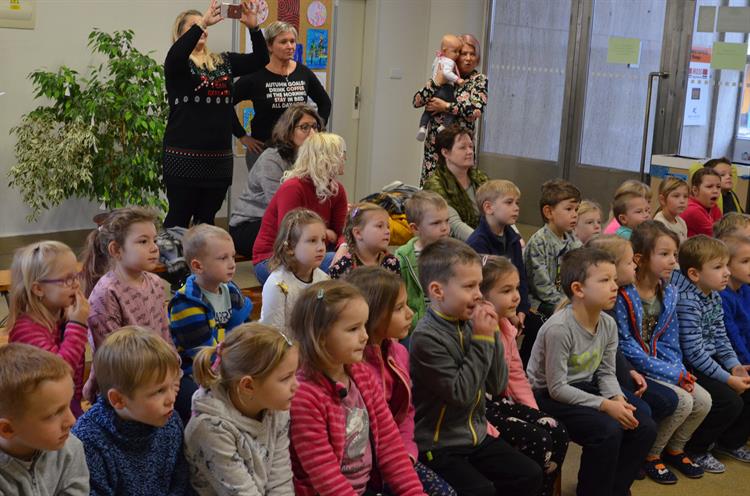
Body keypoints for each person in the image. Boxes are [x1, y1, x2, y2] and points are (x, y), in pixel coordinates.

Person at [410, 238, 543, 495]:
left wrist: (492, 334)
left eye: (479, 285)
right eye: (469, 286)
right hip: (438, 444)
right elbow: (461, 394)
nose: (479, 294)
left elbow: (497, 384)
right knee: (481, 491)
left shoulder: (473, 322)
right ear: (438, 291)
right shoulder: (426, 337)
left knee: (528, 474)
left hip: (476, 434)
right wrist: (483, 338)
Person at [526, 247, 657, 496]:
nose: (614, 286)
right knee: (607, 430)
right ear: (578, 289)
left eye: (614, 280)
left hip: (583, 387)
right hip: (547, 396)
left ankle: (615, 489)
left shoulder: (607, 324)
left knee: (644, 426)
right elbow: (556, 388)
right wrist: (606, 406)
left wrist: (617, 398)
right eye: (604, 280)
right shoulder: (560, 329)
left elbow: (606, 373)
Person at [288, 280, 427, 496]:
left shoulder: (362, 374)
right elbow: (327, 480)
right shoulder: (305, 396)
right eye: (353, 329)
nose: (364, 336)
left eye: (364, 325)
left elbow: (390, 446)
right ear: (321, 337)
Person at [613, 222, 711, 484]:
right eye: (665, 254)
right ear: (640, 258)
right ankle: (651, 454)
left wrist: (680, 370)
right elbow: (625, 345)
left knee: (703, 401)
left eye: (675, 255)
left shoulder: (669, 292)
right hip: (637, 367)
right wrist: (672, 373)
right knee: (684, 402)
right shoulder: (624, 294)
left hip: (662, 364)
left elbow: (671, 339)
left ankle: (674, 449)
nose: (673, 262)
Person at [347, 267, 457, 496]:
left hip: (397, 453)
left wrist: (407, 450)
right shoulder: (353, 369)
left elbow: (406, 412)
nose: (410, 313)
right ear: (372, 315)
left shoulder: (398, 353)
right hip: (362, 471)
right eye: (399, 308)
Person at [163, 1, 268, 228]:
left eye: (202, 26)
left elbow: (261, 59)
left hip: (218, 159)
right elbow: (175, 55)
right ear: (181, 34)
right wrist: (201, 23)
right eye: (192, 27)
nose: (202, 30)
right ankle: (175, 263)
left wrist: (254, 28)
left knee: (207, 221)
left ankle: (204, 263)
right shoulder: (177, 66)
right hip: (183, 157)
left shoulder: (224, 62)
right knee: (178, 220)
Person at [479, 256, 569, 496]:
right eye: (506, 290)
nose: (517, 297)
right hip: (480, 409)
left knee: (556, 430)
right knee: (538, 440)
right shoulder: (475, 331)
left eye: (517, 288)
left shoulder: (507, 327)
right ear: (482, 296)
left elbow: (516, 375)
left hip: (500, 402)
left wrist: (534, 411)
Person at [72, 327, 189, 495]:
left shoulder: (170, 421)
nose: (171, 398)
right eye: (159, 391)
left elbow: (181, 485)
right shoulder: (88, 440)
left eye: (173, 386)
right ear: (118, 400)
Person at [184, 323, 298, 495]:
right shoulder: (209, 427)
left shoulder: (276, 407)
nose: (296, 385)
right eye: (286, 378)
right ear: (248, 386)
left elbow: (280, 482)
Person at [672, 235, 750, 471]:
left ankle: (729, 442)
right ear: (695, 274)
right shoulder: (687, 301)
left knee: (746, 385)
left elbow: (720, 336)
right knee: (728, 402)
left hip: (709, 357)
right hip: (690, 363)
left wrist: (735, 366)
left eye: (727, 265)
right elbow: (694, 353)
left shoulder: (713, 294)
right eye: (718, 267)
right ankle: (696, 449)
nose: (726, 272)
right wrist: (728, 378)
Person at [81, 207, 172, 402]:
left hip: (159, 375)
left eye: (154, 240)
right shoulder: (106, 293)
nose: (155, 247)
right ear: (116, 250)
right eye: (143, 241)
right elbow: (112, 359)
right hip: (126, 387)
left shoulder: (155, 283)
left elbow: (165, 335)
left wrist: (173, 374)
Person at [168, 224, 253, 424]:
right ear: (198, 266)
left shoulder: (229, 289)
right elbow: (202, 356)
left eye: (232, 256)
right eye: (223, 258)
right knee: (212, 411)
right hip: (194, 371)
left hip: (227, 361)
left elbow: (246, 330)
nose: (232, 264)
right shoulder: (186, 303)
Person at [233, 21, 331, 171]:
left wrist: (316, 130)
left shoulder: (303, 72)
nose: (290, 46)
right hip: (265, 150)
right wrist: (242, 136)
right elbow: (224, 102)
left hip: (298, 151)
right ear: (269, 46)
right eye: (283, 42)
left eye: (292, 41)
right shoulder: (255, 74)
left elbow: (325, 103)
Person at [252, 132, 348, 284]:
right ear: (326, 157)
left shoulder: (337, 190)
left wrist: (343, 246)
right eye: (341, 154)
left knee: (353, 257)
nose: (345, 159)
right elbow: (290, 236)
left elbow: (341, 231)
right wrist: (326, 233)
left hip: (313, 251)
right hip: (273, 259)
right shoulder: (293, 188)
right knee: (341, 264)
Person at [229, 104, 324, 257]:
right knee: (308, 235)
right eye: (304, 127)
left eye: (315, 127)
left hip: (292, 219)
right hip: (251, 225)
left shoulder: (315, 157)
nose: (312, 133)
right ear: (289, 131)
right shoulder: (272, 158)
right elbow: (284, 208)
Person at [7, 241, 89, 418]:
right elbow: (59, 372)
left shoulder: (62, 315)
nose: (76, 284)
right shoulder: (26, 330)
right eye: (67, 279)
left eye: (76, 276)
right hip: (42, 413)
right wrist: (77, 325)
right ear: (38, 289)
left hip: (67, 404)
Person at [0, 344, 89, 495]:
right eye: (54, 414)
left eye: (68, 405)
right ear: (7, 429)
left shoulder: (71, 448)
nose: (72, 421)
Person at [413, 34, 487, 185]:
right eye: (463, 53)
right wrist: (436, 82)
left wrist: (445, 106)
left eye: (472, 54)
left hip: (460, 152)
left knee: (457, 196)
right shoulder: (443, 73)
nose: (468, 58)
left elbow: (475, 111)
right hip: (435, 150)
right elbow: (417, 101)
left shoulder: (478, 80)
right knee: (431, 200)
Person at [466, 179, 531, 331]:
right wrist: (510, 315)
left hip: (510, 303)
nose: (516, 208)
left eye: (517, 203)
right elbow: (482, 288)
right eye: (509, 202)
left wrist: (522, 309)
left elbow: (520, 275)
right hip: (486, 309)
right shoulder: (477, 243)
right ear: (488, 207)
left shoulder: (513, 238)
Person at [260, 209, 330, 332]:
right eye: (312, 241)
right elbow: (273, 333)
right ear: (290, 247)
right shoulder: (278, 284)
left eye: (323, 240)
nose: (321, 248)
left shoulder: (323, 279)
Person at [395, 191, 451, 332]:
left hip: (446, 324)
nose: (444, 228)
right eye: (436, 223)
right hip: (414, 327)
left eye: (447, 221)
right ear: (415, 228)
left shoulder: (454, 254)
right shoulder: (403, 257)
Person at [423, 126, 489, 241]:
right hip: (453, 246)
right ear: (445, 152)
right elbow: (455, 225)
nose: (470, 152)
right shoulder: (435, 185)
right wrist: (485, 244)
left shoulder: (479, 177)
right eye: (463, 148)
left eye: (471, 147)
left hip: (483, 240)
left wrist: (516, 238)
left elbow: (499, 206)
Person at [329, 202, 401, 279]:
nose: (387, 231)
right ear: (358, 233)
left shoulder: (392, 263)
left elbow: (400, 290)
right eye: (380, 226)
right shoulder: (343, 266)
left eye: (388, 227)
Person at [416, 34, 464, 142]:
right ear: (445, 50)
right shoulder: (449, 61)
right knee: (450, 106)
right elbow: (446, 73)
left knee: (427, 111)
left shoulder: (438, 58)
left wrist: (432, 81)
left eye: (459, 52)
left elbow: (434, 70)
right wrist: (457, 79)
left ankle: (422, 127)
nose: (457, 55)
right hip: (446, 89)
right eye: (456, 51)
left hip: (435, 90)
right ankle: (444, 126)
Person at [719, 234, 750, 365]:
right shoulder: (722, 298)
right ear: (727, 265)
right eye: (745, 261)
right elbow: (734, 340)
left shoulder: (745, 288)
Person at [680, 168, 722, 238]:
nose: (716, 191)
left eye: (718, 187)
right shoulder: (692, 210)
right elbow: (718, 236)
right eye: (709, 187)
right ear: (695, 190)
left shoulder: (714, 207)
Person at [653, 176, 689, 244]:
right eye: (676, 196)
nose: (682, 201)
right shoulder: (659, 223)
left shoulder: (681, 222)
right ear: (662, 200)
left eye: (685, 196)